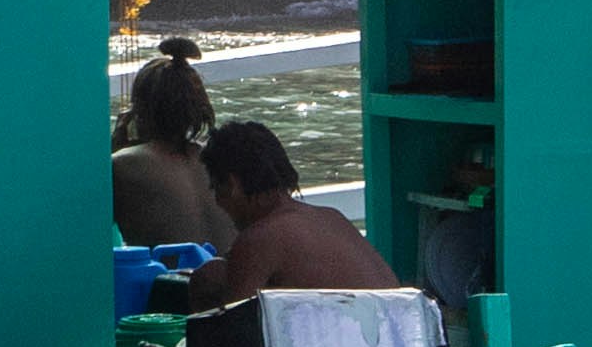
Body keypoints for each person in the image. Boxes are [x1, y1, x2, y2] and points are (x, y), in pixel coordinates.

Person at [185, 116, 403, 310]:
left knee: (208, 279)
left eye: (216, 190)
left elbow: (232, 337)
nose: (218, 203)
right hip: (398, 341)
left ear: (232, 186)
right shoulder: (331, 217)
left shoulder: (258, 240)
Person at [111, 35, 228, 248]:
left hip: (171, 280)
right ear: (199, 106)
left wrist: (113, 150)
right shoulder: (223, 160)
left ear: (139, 110)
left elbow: (83, 227)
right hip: (235, 277)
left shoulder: (120, 165)